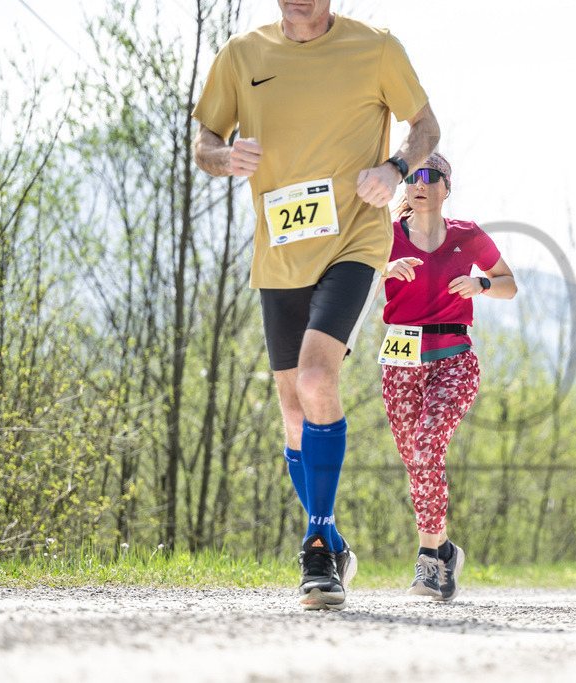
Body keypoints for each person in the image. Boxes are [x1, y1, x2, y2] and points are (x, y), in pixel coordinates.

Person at [191, 0, 440, 611]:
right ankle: (332, 541)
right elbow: (204, 143)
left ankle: (316, 546)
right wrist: (225, 159)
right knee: (291, 407)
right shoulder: (241, 55)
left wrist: (396, 166)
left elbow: (427, 126)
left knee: (315, 376)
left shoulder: (376, 47)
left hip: (354, 239)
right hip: (279, 252)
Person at [380, 152, 517, 601]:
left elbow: (508, 283)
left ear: (446, 187)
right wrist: (382, 267)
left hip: (454, 357)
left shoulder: (467, 236)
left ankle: (426, 560)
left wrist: (481, 285)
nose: (420, 183)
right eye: (413, 176)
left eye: (430, 176)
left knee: (426, 445)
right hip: (400, 359)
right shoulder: (385, 234)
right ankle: (444, 552)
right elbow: (348, 274)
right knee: (415, 459)